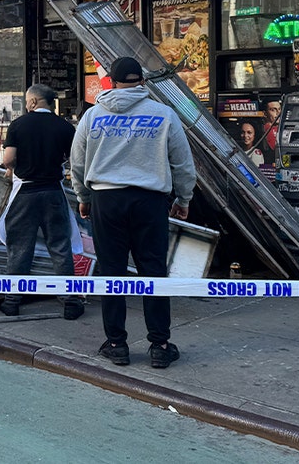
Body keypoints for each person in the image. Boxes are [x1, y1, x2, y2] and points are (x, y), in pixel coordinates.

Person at [70, 56, 196, 369]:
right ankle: (160, 344)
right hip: (149, 202)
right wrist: (184, 198)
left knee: (112, 272)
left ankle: (116, 344)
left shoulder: (92, 116)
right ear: (141, 81)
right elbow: (182, 162)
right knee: (153, 271)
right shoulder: (164, 114)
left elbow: (78, 162)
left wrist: (83, 196)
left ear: (110, 82)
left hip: (106, 200)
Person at [0, 84, 82, 319]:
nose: (26, 105)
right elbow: (73, 160)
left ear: (34, 102)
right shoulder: (65, 127)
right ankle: (70, 302)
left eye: (27, 101)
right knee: (60, 247)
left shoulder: (18, 125)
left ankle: (12, 301)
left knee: (19, 248)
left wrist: (11, 168)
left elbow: (9, 158)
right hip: (53, 193)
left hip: (26, 193)